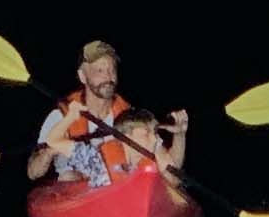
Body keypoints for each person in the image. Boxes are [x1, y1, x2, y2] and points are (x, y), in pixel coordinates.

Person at [28, 40, 187, 190]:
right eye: (100, 70)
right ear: (83, 76)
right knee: (69, 177)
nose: (108, 77)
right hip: (76, 194)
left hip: (122, 189)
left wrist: (179, 135)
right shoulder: (60, 116)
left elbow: (172, 178)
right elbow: (33, 172)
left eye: (112, 70)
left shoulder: (131, 119)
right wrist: (49, 152)